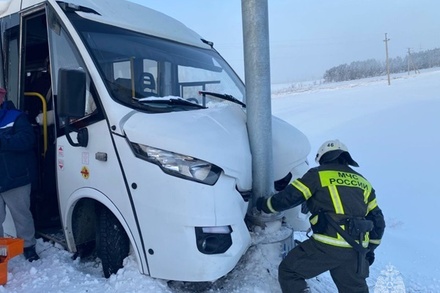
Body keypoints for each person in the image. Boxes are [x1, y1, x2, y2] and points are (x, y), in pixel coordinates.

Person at [257, 139, 385, 293]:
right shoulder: (363, 182)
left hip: (327, 245)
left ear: (323, 158)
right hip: (356, 249)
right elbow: (378, 221)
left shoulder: (317, 175)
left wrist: (264, 205)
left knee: (290, 272)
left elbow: (290, 197)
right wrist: (369, 250)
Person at [0, 87, 40, 262]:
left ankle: (28, 247)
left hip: (16, 177)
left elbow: (27, 140)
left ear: (2, 98)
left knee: (21, 215)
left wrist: (3, 141)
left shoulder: (16, 117)